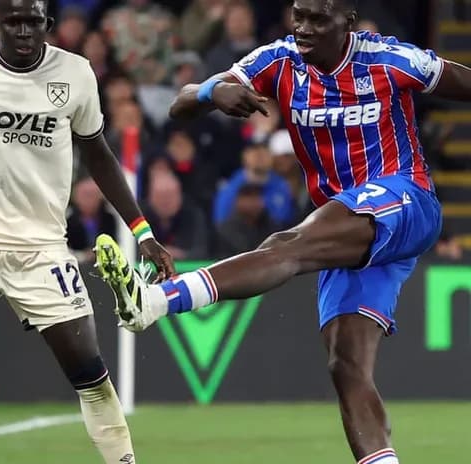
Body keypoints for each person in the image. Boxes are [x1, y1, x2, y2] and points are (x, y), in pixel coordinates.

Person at [93, 1, 471, 463]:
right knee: (346, 364)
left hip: (405, 200)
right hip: (349, 227)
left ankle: (154, 300)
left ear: (348, 22)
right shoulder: (278, 61)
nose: (303, 29)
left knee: (288, 245)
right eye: (299, 16)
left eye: (317, 19)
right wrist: (215, 90)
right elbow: (181, 102)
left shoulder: (390, 60)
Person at [0, 0, 175, 462]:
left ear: (49, 25)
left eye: (33, 23)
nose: (24, 32)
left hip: (41, 244)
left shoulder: (76, 73)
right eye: (15, 22)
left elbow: (99, 154)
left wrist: (141, 229)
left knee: (89, 368)